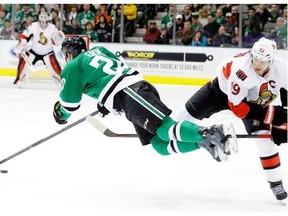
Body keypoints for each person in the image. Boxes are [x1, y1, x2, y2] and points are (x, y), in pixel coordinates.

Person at [52, 35, 237, 163]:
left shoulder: (72, 66)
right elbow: (114, 71)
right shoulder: (99, 50)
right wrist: (105, 100)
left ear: (68, 54)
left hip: (130, 93)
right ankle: (205, 142)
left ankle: (215, 132)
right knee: (159, 145)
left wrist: (59, 113)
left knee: (165, 129)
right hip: (131, 92)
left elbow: (70, 105)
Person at [175, 37, 288, 202]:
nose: (257, 64)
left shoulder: (283, 68)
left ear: (271, 60)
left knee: (264, 140)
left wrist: (283, 123)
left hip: (253, 101)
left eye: (262, 61)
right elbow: (238, 108)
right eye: (255, 58)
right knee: (180, 119)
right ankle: (175, 136)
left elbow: (286, 92)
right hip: (219, 93)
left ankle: (276, 183)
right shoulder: (241, 71)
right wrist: (270, 115)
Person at [13, 12, 65, 85]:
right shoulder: (33, 26)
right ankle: (20, 80)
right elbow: (24, 35)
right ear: (39, 21)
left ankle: (61, 83)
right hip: (34, 51)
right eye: (41, 22)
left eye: (45, 22)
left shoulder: (52, 27)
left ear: (48, 21)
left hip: (48, 52)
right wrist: (22, 44)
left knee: (55, 68)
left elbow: (57, 41)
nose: (43, 24)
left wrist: (59, 38)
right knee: (23, 64)